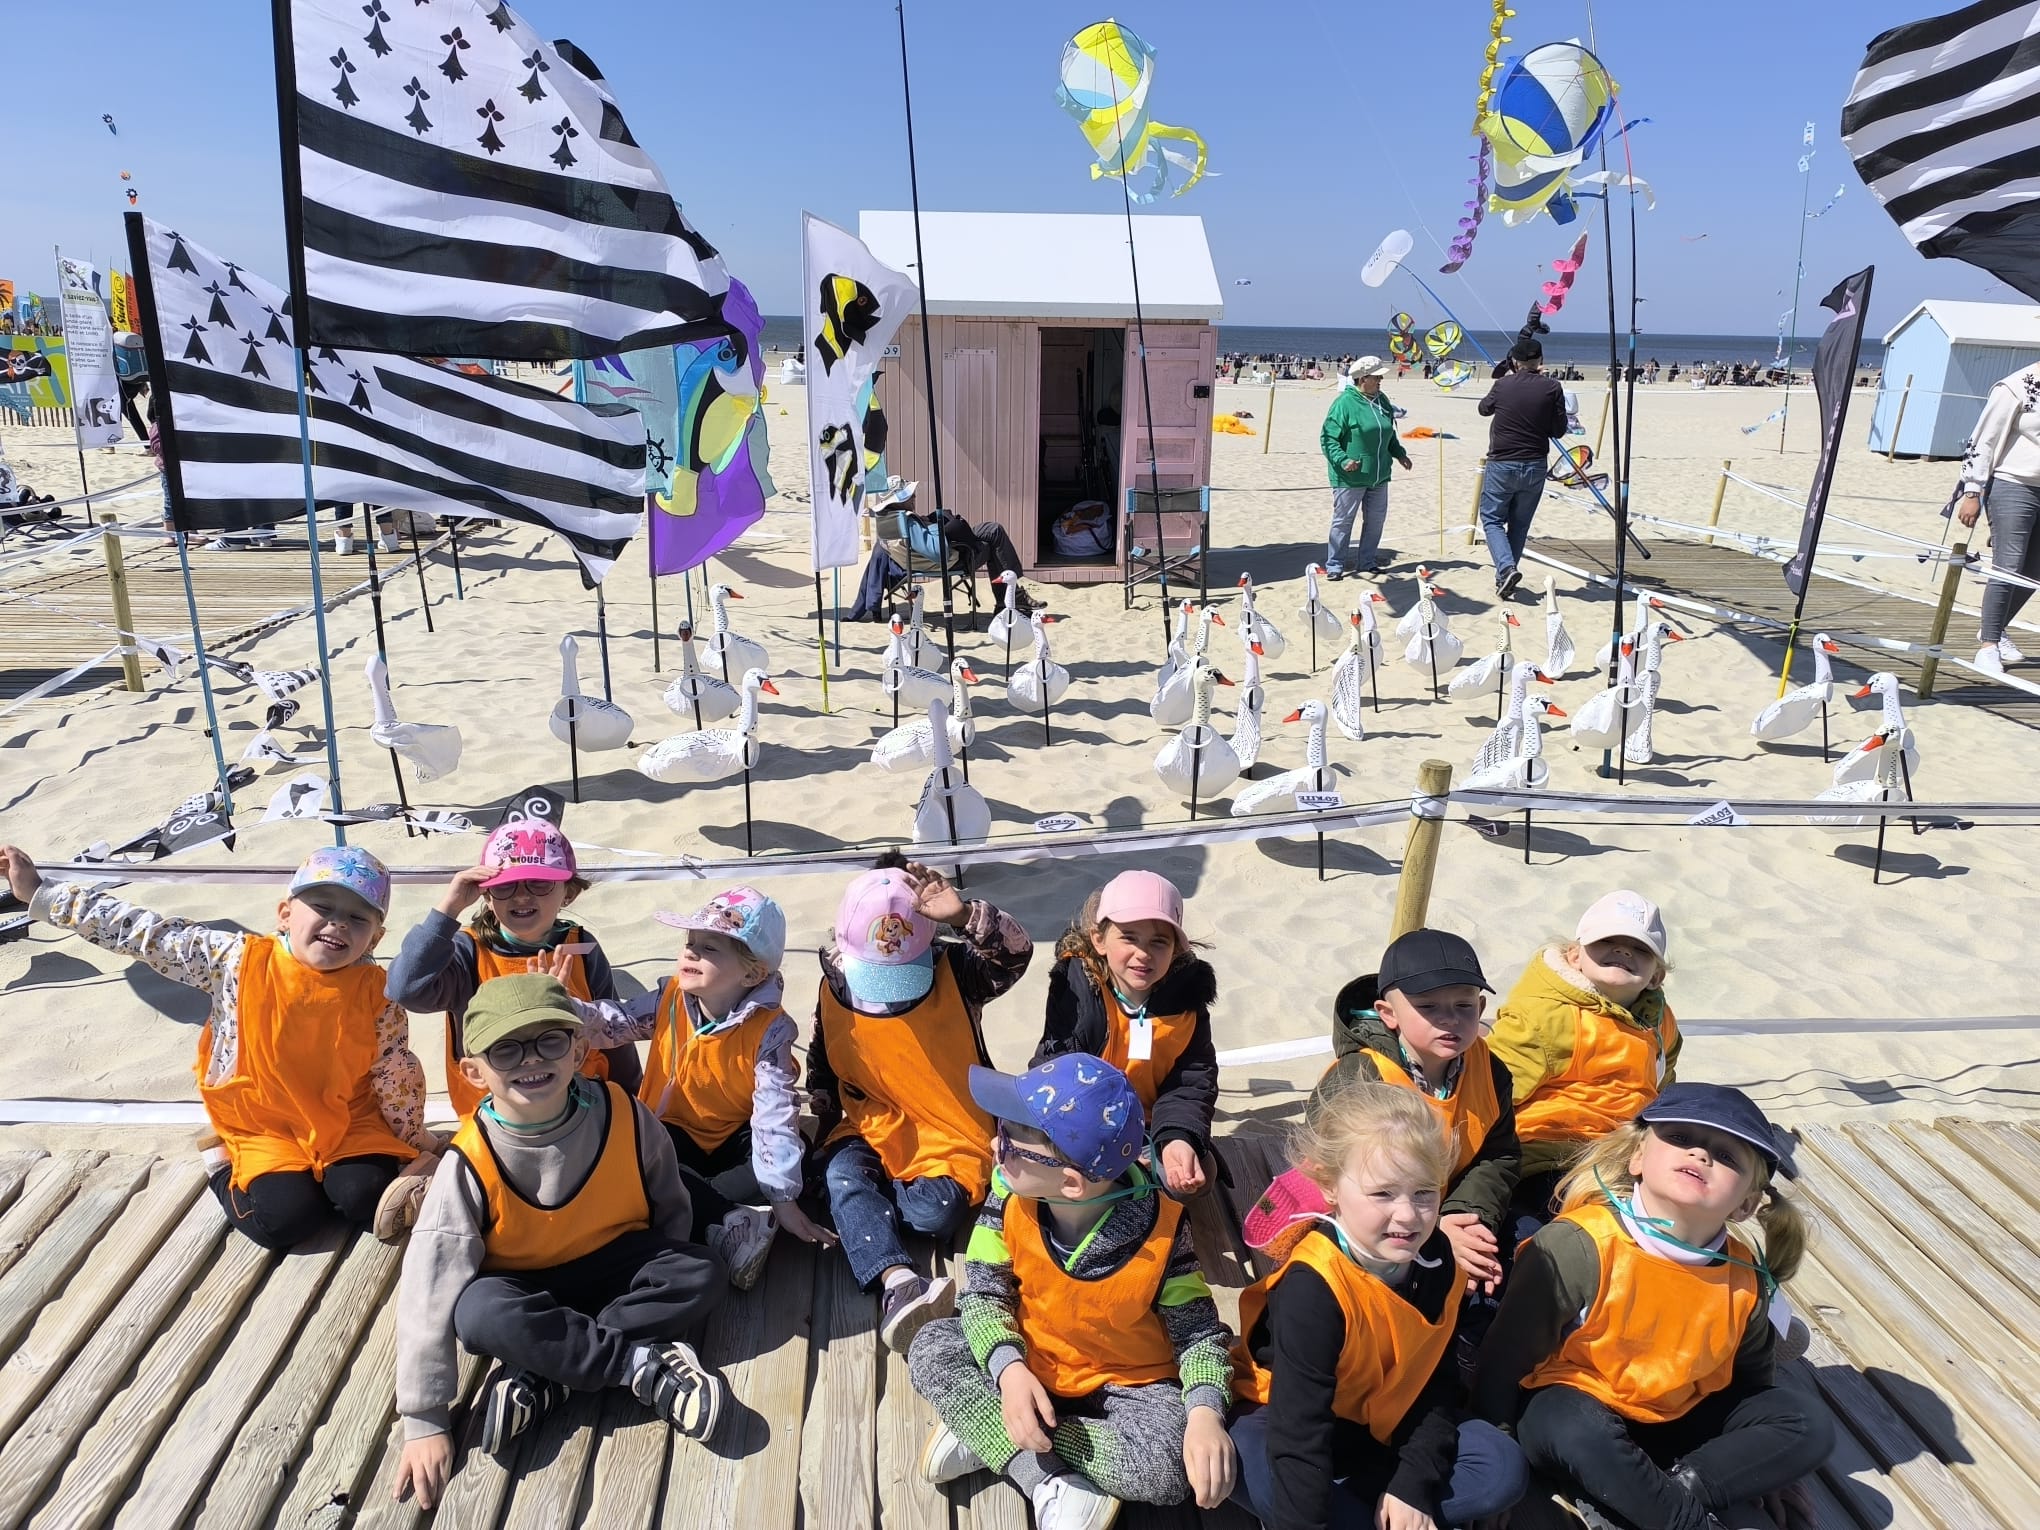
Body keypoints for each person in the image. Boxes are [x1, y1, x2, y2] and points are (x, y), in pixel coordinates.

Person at [392, 975, 729, 1510]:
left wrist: (663, 1264)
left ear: (578, 1049)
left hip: (615, 1264)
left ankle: (549, 1373)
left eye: (549, 1040)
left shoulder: (624, 1112)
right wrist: (425, 1419)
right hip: (525, 1284)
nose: (531, 1059)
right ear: (473, 1072)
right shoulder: (469, 1158)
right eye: (506, 1050)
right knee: (479, 1312)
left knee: (701, 1269)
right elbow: (429, 1284)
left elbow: (670, 1202)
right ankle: (636, 1366)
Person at [0, 842, 434, 1250]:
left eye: (358, 918)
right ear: (285, 914)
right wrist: (40, 893)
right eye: (322, 907)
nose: (338, 923)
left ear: (374, 939)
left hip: (348, 1118)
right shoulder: (237, 960)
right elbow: (146, 933)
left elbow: (394, 1071)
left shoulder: (378, 991)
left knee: (365, 1199)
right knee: (288, 1221)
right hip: (262, 1121)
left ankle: (346, 1180)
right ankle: (222, 1167)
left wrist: (412, 1137)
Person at [1471, 1084, 1831, 1530]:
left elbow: (1751, 1383)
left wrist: (1765, 1465)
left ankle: (1651, 1493)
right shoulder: (1579, 1244)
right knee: (1569, 1424)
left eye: (1726, 1156)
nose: (1700, 1155)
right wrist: (1498, 1459)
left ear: (1746, 1204)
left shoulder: (1747, 1278)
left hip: (1679, 1423)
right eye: (1680, 1137)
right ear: (1637, 1158)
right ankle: (1682, 1518)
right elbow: (1501, 1364)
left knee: (1808, 1421)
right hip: (1576, 1410)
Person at [910, 1055, 1238, 1528]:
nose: (994, 1145)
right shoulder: (1008, 1196)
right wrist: (1009, 1372)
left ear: (1070, 1182)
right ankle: (1039, 1471)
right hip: (1031, 1358)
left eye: (1010, 1143)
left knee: (1166, 1467)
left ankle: (995, 1429)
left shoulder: (1162, 1233)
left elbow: (1199, 1336)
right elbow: (983, 1295)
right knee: (930, 1346)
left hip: (1126, 1383)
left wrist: (1206, 1413)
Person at [1229, 1082, 1528, 1530]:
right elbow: (1299, 1437)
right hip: (1284, 1418)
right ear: (1329, 1187)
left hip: (1378, 1418)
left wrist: (1412, 1483)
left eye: (1424, 1192)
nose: (1407, 1215)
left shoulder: (1439, 1258)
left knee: (1501, 1466)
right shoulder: (1313, 1287)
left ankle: (1368, 1506)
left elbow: (1435, 1385)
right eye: (1383, 1193)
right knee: (1256, 1466)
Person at [809, 854, 1034, 1351]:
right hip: (871, 1126)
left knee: (937, 1215)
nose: (889, 994)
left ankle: (860, 1208)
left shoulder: (956, 970)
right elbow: (826, 1049)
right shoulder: (836, 983)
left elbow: (1016, 954)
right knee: (841, 1171)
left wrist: (965, 916)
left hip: (949, 1133)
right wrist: (821, 1097)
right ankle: (898, 1280)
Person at [564, 886, 838, 1288]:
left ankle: (695, 1208)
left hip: (736, 1134)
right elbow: (612, 1024)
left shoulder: (771, 1029)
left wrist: (782, 1197)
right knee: (639, 1158)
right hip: (670, 1132)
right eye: (690, 942)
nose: (691, 953)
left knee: (787, 1154)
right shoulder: (669, 998)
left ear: (752, 973)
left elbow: (773, 1114)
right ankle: (728, 1218)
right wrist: (565, 1007)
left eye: (710, 948)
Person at [1313, 928, 1520, 1303]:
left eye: (1463, 1006)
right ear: (1388, 1013)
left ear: (1481, 1009)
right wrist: (1434, 1234)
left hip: (1449, 1215)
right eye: (1428, 1007)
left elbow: (1498, 1153)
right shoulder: (1359, 1078)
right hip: (1373, 1236)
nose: (1450, 1019)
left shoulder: (1491, 1071)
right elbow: (1331, 1179)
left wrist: (1464, 1215)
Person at [386, 819, 641, 1123]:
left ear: (568, 893)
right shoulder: (468, 951)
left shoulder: (581, 948)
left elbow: (614, 1032)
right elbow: (405, 989)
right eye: (505, 886)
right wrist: (449, 909)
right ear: (487, 896)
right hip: (494, 1114)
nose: (521, 895)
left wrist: (632, 1098)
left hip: (581, 1107)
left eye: (539, 883)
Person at [1486, 891, 1679, 1239]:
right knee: (1558, 1236)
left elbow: (1664, 1084)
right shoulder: (1547, 1017)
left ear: (1656, 977)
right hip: (1550, 1155)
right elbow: (1488, 1091)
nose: (1623, 951)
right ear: (1575, 955)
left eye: (1640, 949)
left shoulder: (1660, 1022)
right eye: (1606, 941)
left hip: (1624, 1155)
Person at [1032, 870, 1218, 1199]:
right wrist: (1104, 1141)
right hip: (1083, 1126)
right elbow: (1054, 1069)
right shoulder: (1075, 990)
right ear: (1099, 940)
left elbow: (1191, 1082)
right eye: (1129, 938)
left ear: (1176, 949)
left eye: (1159, 942)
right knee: (1051, 1169)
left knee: (1196, 1176)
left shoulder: (1188, 1006)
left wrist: (1177, 1136)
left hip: (1150, 1128)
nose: (1143, 954)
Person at [1953, 361, 2040, 674]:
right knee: (2009, 565)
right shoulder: (2017, 385)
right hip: (2014, 485)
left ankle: (1996, 628)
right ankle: (1988, 646)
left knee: (2035, 571)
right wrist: (1972, 491)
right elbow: (1984, 439)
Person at [1476, 337, 1570, 598]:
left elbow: (1483, 408)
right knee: (1519, 525)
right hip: (1534, 464)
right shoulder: (1552, 387)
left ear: (1515, 362)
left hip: (1503, 462)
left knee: (1492, 519)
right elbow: (1559, 430)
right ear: (1540, 360)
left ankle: (1506, 569)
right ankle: (1505, 577)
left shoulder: (1503, 384)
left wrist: (1508, 381)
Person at [1320, 356, 1411, 580]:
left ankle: (1367, 562)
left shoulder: (1383, 400)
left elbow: (1388, 433)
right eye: (1376, 377)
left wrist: (1400, 454)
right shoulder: (1344, 403)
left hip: (1379, 475)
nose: (1380, 380)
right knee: (1343, 521)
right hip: (1350, 477)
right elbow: (1328, 438)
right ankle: (1335, 565)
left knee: (1376, 521)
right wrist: (1343, 460)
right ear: (1362, 379)